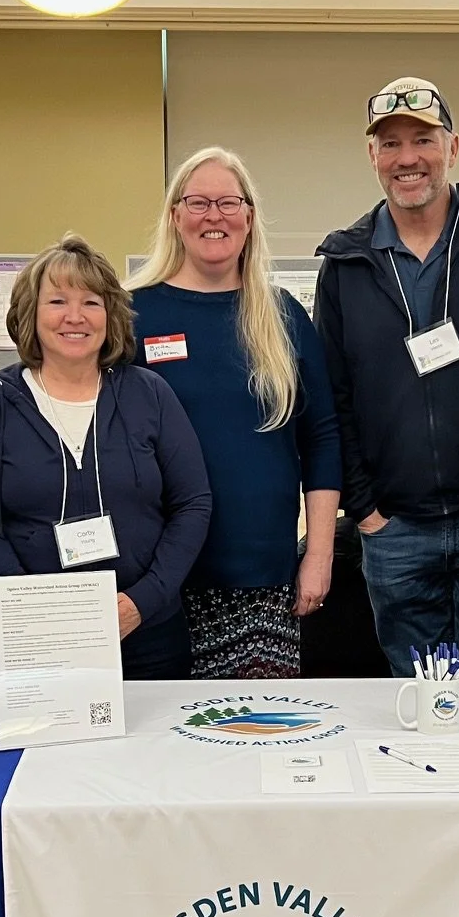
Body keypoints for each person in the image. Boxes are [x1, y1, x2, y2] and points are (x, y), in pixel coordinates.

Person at [314, 76, 459, 680]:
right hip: (393, 530)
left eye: (423, 139)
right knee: (417, 698)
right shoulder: (345, 264)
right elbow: (331, 397)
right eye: (390, 143)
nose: (407, 158)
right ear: (372, 155)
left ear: (453, 146)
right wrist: (366, 510)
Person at [0, 234, 212, 681]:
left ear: (110, 315)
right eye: (57, 302)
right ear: (30, 314)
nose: (75, 317)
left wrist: (143, 601)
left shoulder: (149, 394)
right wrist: (36, 609)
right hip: (29, 636)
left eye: (91, 302)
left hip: (144, 633)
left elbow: (193, 503)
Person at [129, 147, 342, 678]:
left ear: (249, 216)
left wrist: (318, 555)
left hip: (261, 575)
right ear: (175, 215)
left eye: (228, 202)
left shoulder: (283, 315)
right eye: (198, 202)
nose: (214, 216)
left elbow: (321, 440)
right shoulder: (133, 315)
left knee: (255, 723)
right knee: (164, 727)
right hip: (155, 579)